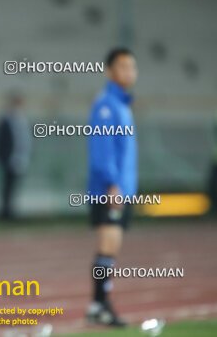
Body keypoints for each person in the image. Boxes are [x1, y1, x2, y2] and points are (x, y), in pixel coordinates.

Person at [86, 48, 138, 327]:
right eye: (123, 66)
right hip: (110, 190)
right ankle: (101, 306)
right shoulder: (107, 105)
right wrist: (113, 185)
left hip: (121, 189)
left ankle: (98, 305)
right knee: (107, 248)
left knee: (111, 250)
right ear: (109, 71)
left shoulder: (121, 105)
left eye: (133, 67)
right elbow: (102, 150)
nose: (129, 72)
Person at [0, 90, 32, 219]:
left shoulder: (22, 119)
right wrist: (2, 157)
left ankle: (10, 211)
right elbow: (0, 141)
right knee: (7, 187)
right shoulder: (7, 120)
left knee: (13, 186)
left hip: (19, 158)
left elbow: (24, 140)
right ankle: (6, 212)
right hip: (9, 158)